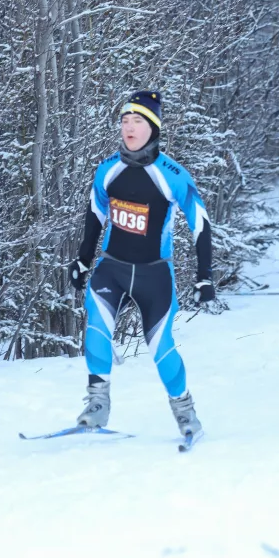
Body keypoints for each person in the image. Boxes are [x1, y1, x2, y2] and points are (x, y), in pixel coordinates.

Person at [68, 90, 215, 437]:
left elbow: (201, 224)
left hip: (154, 275)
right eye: (124, 121)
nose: (129, 128)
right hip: (112, 267)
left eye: (137, 121)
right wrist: (83, 260)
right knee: (96, 330)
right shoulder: (108, 170)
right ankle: (97, 403)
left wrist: (204, 277)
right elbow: (94, 215)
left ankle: (184, 411)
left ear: (153, 128)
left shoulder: (172, 174)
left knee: (161, 348)